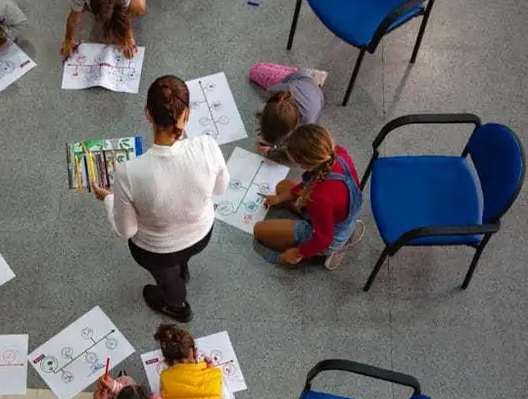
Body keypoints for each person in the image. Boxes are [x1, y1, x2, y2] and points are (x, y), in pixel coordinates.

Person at [92, 75, 228, 322]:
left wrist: (108, 199)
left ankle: (177, 306)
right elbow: (220, 189)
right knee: (179, 262)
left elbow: (126, 230)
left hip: (157, 250)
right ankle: (183, 270)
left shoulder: (128, 172)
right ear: (187, 114)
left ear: (147, 114)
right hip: (200, 234)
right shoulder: (207, 145)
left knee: (168, 278)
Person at [254, 124, 365, 270]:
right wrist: (280, 199)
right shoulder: (336, 152)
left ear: (305, 163)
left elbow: (323, 238)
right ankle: (334, 231)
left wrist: (299, 253)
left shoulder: (320, 198)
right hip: (337, 217)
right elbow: (312, 181)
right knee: (282, 187)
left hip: (330, 237)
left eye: (294, 160)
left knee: (259, 231)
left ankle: (336, 248)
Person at [248, 63, 326, 164]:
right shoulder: (276, 92)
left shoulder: (306, 125)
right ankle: (305, 74)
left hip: (315, 93)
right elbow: (269, 102)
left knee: (259, 110)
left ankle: (314, 76)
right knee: (255, 71)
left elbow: (296, 156)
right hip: (298, 79)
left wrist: (271, 151)